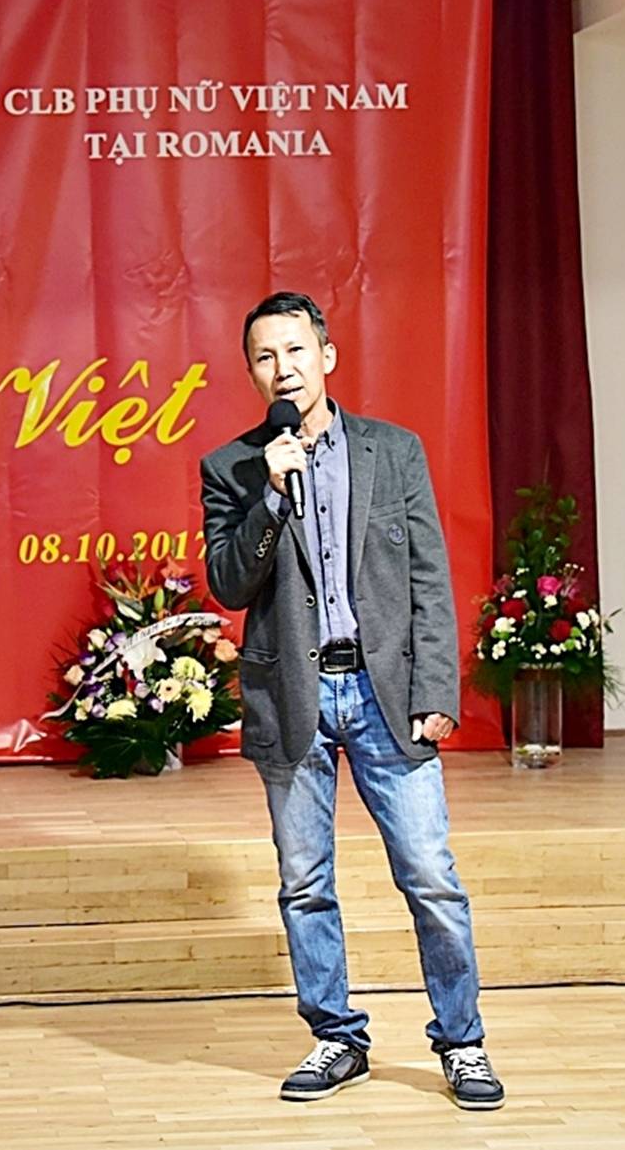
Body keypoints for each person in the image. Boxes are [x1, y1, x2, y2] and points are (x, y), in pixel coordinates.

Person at [199, 291, 504, 1111]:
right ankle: (337, 1036)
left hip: (384, 691)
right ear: (251, 372)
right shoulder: (233, 467)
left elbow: (429, 578)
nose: (283, 369)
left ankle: (462, 1041)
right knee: (304, 881)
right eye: (265, 356)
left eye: (296, 350)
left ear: (327, 356)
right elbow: (229, 582)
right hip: (292, 696)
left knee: (430, 874)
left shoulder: (393, 452)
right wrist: (271, 495)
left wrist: (436, 688)